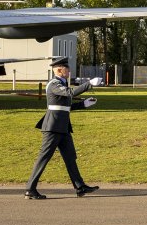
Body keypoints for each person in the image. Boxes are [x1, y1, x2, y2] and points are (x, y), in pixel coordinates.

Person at [25, 57, 102, 200]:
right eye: (66, 68)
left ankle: (80, 186)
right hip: (53, 127)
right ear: (59, 70)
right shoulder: (54, 84)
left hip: (63, 127)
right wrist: (89, 84)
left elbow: (65, 107)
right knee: (44, 158)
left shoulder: (61, 84)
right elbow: (70, 93)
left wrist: (83, 104)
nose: (69, 71)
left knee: (70, 157)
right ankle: (30, 189)